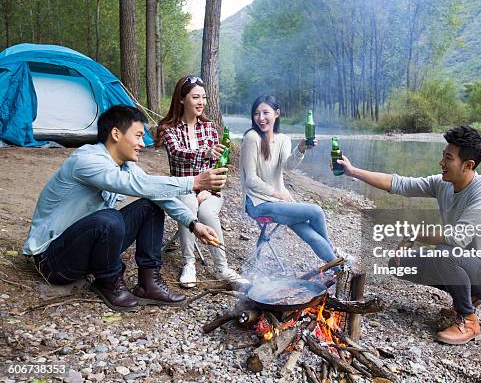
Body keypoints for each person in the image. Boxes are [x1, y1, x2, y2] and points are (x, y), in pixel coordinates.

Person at [22, 105, 228, 312]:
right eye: (138, 136)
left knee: (150, 206)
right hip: (53, 261)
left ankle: (149, 283)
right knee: (109, 218)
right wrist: (193, 182)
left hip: (85, 250)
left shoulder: (124, 165)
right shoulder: (86, 160)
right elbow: (135, 185)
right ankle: (108, 281)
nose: (142, 143)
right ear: (116, 134)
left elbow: (152, 190)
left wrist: (193, 224)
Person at [337, 126, 481, 345]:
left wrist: (414, 234)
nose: (442, 163)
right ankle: (466, 295)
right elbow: (401, 184)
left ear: (468, 165)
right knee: (397, 263)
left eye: (448, 158)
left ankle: (468, 319)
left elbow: (458, 238)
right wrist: (353, 172)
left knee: (445, 252)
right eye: (443, 156)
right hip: (459, 262)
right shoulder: (443, 184)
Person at [156, 75, 243, 287]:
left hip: (208, 191)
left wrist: (211, 190)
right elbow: (177, 153)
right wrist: (205, 153)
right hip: (182, 188)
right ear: (182, 99)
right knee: (189, 203)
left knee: (206, 211)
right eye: (195, 97)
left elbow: (220, 167)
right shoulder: (169, 129)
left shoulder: (210, 128)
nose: (201, 102)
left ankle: (222, 268)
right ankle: (189, 263)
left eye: (203, 97)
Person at [239, 95, 341, 266]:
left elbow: (288, 166)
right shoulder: (252, 137)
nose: (261, 118)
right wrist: (278, 194)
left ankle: (334, 264)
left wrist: (301, 149)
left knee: (306, 230)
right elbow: (251, 179)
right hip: (257, 204)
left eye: (266, 113)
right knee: (315, 211)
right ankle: (334, 255)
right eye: (257, 114)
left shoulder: (283, 139)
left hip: (278, 202)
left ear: (276, 113)